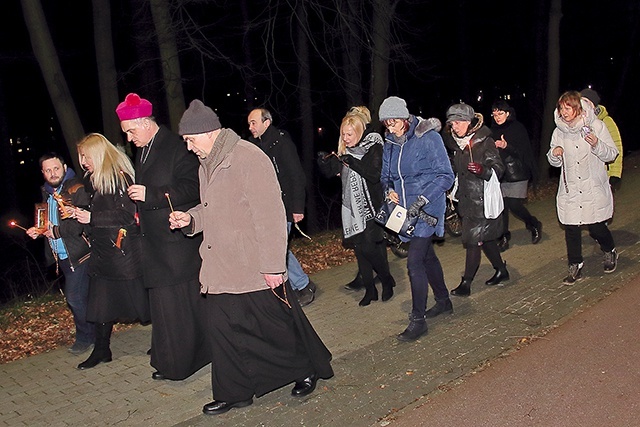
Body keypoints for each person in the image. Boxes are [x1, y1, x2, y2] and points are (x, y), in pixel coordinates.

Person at [169, 99, 333, 416]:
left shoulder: (248, 157)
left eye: (189, 140)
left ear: (206, 133)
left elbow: (271, 215)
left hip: (252, 265)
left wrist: (273, 266)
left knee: (274, 326)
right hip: (219, 266)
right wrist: (189, 220)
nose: (188, 148)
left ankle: (304, 369)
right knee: (222, 330)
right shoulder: (207, 165)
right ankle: (235, 391)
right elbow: (212, 210)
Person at [116, 93, 208, 381]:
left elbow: (192, 188)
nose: (130, 138)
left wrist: (151, 195)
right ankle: (168, 361)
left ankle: (182, 364)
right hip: (154, 244)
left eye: (131, 131)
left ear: (145, 123)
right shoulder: (143, 149)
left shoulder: (176, 146)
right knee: (163, 308)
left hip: (175, 245)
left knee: (178, 307)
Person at [378, 96, 455, 342]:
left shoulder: (427, 137)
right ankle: (443, 301)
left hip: (427, 208)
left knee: (414, 264)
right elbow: (386, 176)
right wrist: (388, 190)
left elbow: (446, 176)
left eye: (393, 122)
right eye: (386, 124)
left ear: (404, 117)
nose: (390, 128)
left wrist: (421, 200)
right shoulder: (390, 141)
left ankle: (418, 320)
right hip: (405, 211)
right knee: (427, 257)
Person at [73, 133, 151, 369]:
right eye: (81, 156)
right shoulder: (95, 180)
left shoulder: (120, 178)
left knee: (142, 303)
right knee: (100, 303)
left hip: (123, 253)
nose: (83, 161)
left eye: (86, 155)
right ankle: (101, 349)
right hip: (103, 252)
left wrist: (92, 217)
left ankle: (165, 339)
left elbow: (127, 216)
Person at [317, 106, 396, 306]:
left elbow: (374, 174)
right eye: (343, 134)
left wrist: (351, 161)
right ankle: (370, 290)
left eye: (349, 134)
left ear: (359, 132)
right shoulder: (347, 150)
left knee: (370, 248)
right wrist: (323, 163)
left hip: (372, 205)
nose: (345, 138)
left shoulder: (373, 146)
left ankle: (387, 280)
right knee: (360, 250)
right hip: (352, 209)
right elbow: (332, 173)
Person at [547, 91, 619, 284]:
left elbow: (612, 154)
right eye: (561, 108)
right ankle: (575, 264)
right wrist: (555, 154)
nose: (564, 112)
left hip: (592, 188)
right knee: (571, 228)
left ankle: (609, 250)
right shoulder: (558, 131)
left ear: (578, 108)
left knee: (596, 227)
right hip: (570, 189)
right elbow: (553, 161)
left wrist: (596, 144)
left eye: (567, 108)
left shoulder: (596, 126)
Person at [26, 153, 94, 355]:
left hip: (80, 254)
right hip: (60, 256)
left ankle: (86, 338)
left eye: (56, 168)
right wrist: (38, 231)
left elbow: (78, 226)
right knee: (83, 297)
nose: (52, 173)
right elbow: (48, 222)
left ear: (64, 167)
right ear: (42, 173)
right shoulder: (46, 193)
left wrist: (55, 231)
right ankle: (98, 331)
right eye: (48, 170)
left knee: (74, 297)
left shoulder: (75, 189)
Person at [247, 108, 316, 306]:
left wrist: (297, 207)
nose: (250, 127)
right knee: (278, 248)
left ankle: (302, 285)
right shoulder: (255, 146)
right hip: (265, 207)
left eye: (254, 123)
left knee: (278, 249)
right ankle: (300, 285)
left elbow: (296, 175)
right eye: (249, 124)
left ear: (266, 122)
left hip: (283, 206)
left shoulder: (281, 142)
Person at [444, 103, 509, 297]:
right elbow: (454, 170)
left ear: (468, 122)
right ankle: (501, 270)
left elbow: (499, 167)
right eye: (452, 123)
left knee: (473, 241)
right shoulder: (454, 145)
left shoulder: (484, 141)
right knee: (486, 239)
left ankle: (466, 283)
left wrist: (484, 171)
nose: (454, 127)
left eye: (458, 122)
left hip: (482, 201)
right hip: (465, 201)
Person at [490, 99, 542, 251]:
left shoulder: (517, 128)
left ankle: (533, 224)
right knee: (502, 208)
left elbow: (523, 153)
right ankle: (504, 237)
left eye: (500, 113)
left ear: (508, 113)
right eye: (494, 114)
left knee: (514, 205)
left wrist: (507, 146)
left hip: (517, 173)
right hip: (499, 175)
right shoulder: (491, 131)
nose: (497, 117)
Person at [580, 88, 623, 192]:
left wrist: (615, 174)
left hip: (604, 176)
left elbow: (616, 147)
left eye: (586, 101)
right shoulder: (580, 124)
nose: (583, 104)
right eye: (580, 101)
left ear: (593, 104)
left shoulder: (606, 121)